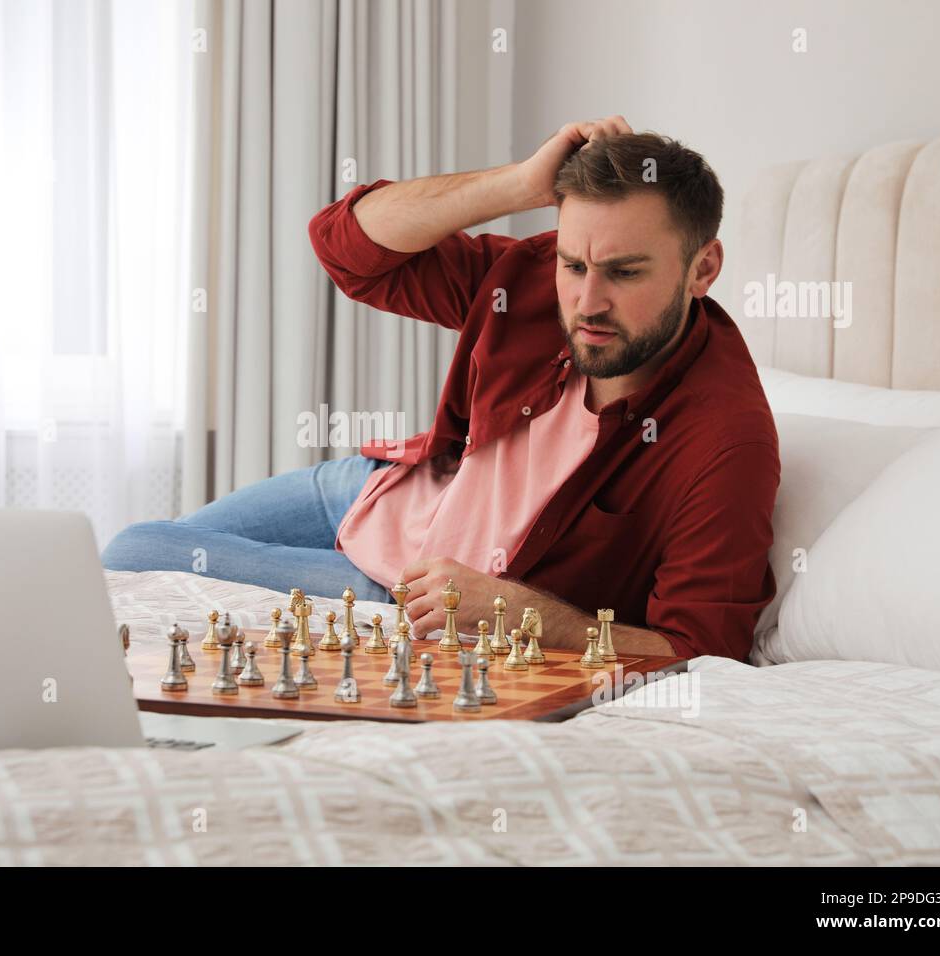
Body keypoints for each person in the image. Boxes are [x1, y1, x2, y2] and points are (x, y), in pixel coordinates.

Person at [103, 116, 779, 661]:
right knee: (127, 570)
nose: (587, 302)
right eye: (575, 264)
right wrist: (517, 184)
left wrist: (532, 617)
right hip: (378, 487)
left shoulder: (724, 436)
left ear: (703, 268)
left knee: (132, 554)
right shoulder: (539, 278)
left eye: (625, 273)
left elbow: (703, 647)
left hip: (414, 589)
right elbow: (347, 248)